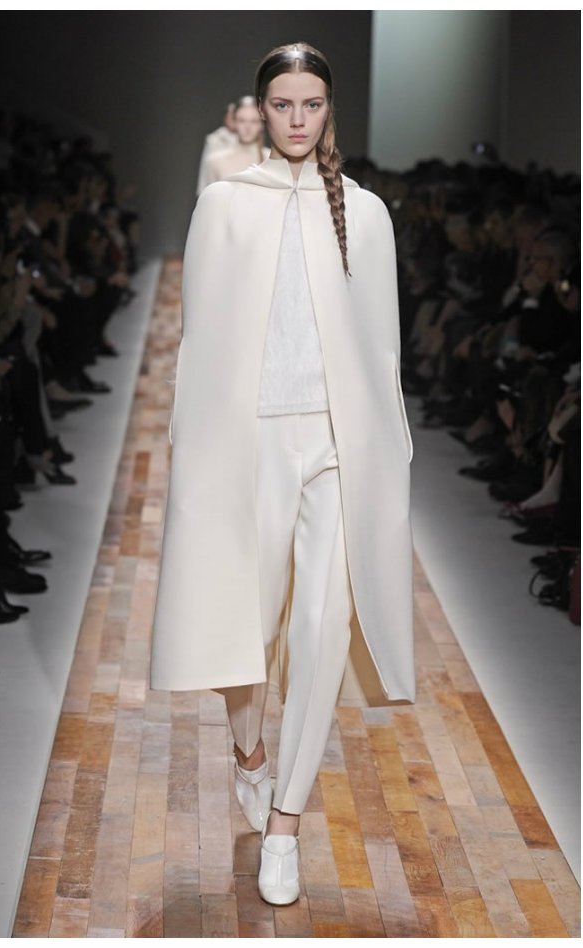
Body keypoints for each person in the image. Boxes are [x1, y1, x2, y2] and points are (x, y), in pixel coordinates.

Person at [150, 43, 414, 906]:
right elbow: (200, 339)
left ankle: (286, 824)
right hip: (252, 439)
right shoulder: (226, 204)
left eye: (312, 104)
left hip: (340, 444)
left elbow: (383, 349)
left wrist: (392, 448)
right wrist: (191, 452)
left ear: (329, 110)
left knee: (324, 626)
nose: (298, 119)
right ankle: (250, 751)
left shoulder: (366, 213)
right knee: (248, 620)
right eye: (283, 104)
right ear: (260, 110)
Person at [199, 96, 271, 192]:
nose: (247, 127)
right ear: (234, 122)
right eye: (242, 120)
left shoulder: (273, 161)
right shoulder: (215, 161)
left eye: (254, 121)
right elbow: (207, 197)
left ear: (262, 124)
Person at [195, 101, 239, 195]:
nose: (232, 120)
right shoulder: (215, 139)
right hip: (218, 184)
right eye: (230, 116)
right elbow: (206, 166)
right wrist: (203, 191)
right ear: (225, 118)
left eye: (235, 117)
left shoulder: (247, 140)